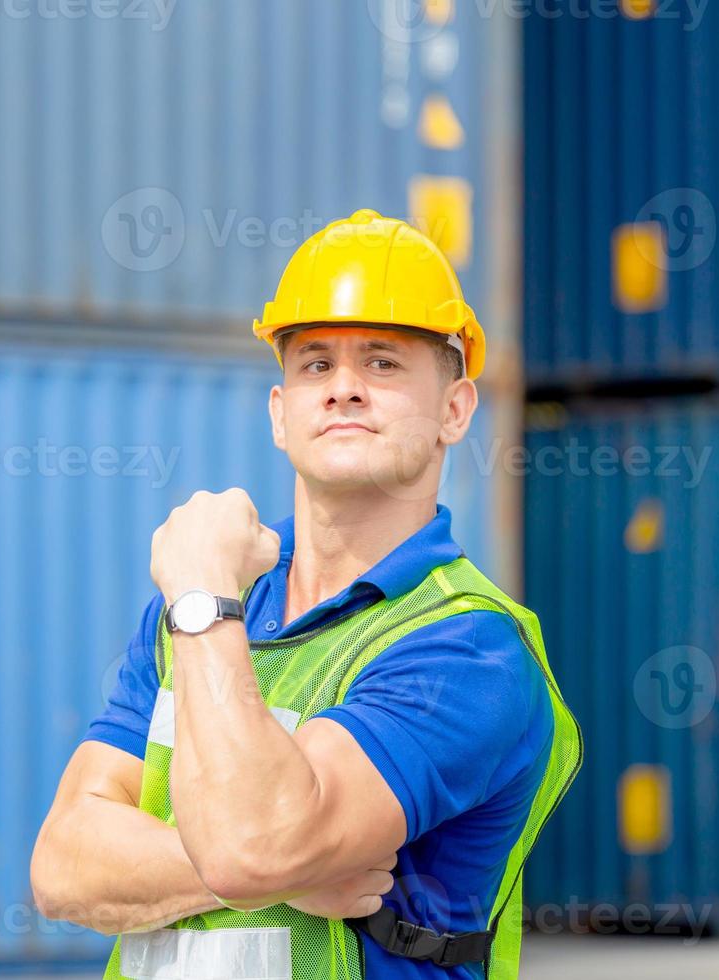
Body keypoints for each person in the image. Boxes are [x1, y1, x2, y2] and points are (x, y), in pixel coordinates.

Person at [31, 209, 581, 979]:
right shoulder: (203, 613)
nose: (344, 389)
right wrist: (275, 874)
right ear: (279, 413)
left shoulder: (468, 649)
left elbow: (258, 843)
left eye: (383, 363)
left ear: (454, 411)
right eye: (315, 364)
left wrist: (201, 601)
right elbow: (63, 868)